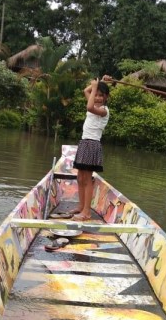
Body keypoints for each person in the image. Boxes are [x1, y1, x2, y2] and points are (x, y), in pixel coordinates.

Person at [71, 75, 112, 221]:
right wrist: (101, 81)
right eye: (97, 95)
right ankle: (81, 207)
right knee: (80, 177)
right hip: (84, 142)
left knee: (87, 179)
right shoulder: (93, 103)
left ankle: (87, 213)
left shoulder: (104, 111)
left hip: (92, 144)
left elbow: (89, 105)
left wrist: (96, 87)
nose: (98, 98)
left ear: (106, 97)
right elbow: (85, 91)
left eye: (102, 96)